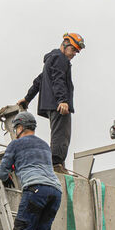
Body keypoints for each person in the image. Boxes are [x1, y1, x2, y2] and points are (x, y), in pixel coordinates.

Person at [0, 111, 68, 230]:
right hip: (55, 191)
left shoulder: (15, 144)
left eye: (16, 129)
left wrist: (7, 175)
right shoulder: (44, 145)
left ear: (20, 127)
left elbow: (1, 172)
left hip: (35, 189)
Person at [17, 31, 85, 173]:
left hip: (51, 103)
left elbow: (39, 80)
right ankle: (56, 165)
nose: (74, 54)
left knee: (57, 133)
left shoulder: (52, 59)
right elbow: (58, 80)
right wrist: (62, 100)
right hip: (58, 104)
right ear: (65, 44)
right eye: (73, 49)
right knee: (62, 134)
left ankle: (56, 163)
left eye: (76, 52)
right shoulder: (60, 58)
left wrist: (28, 98)